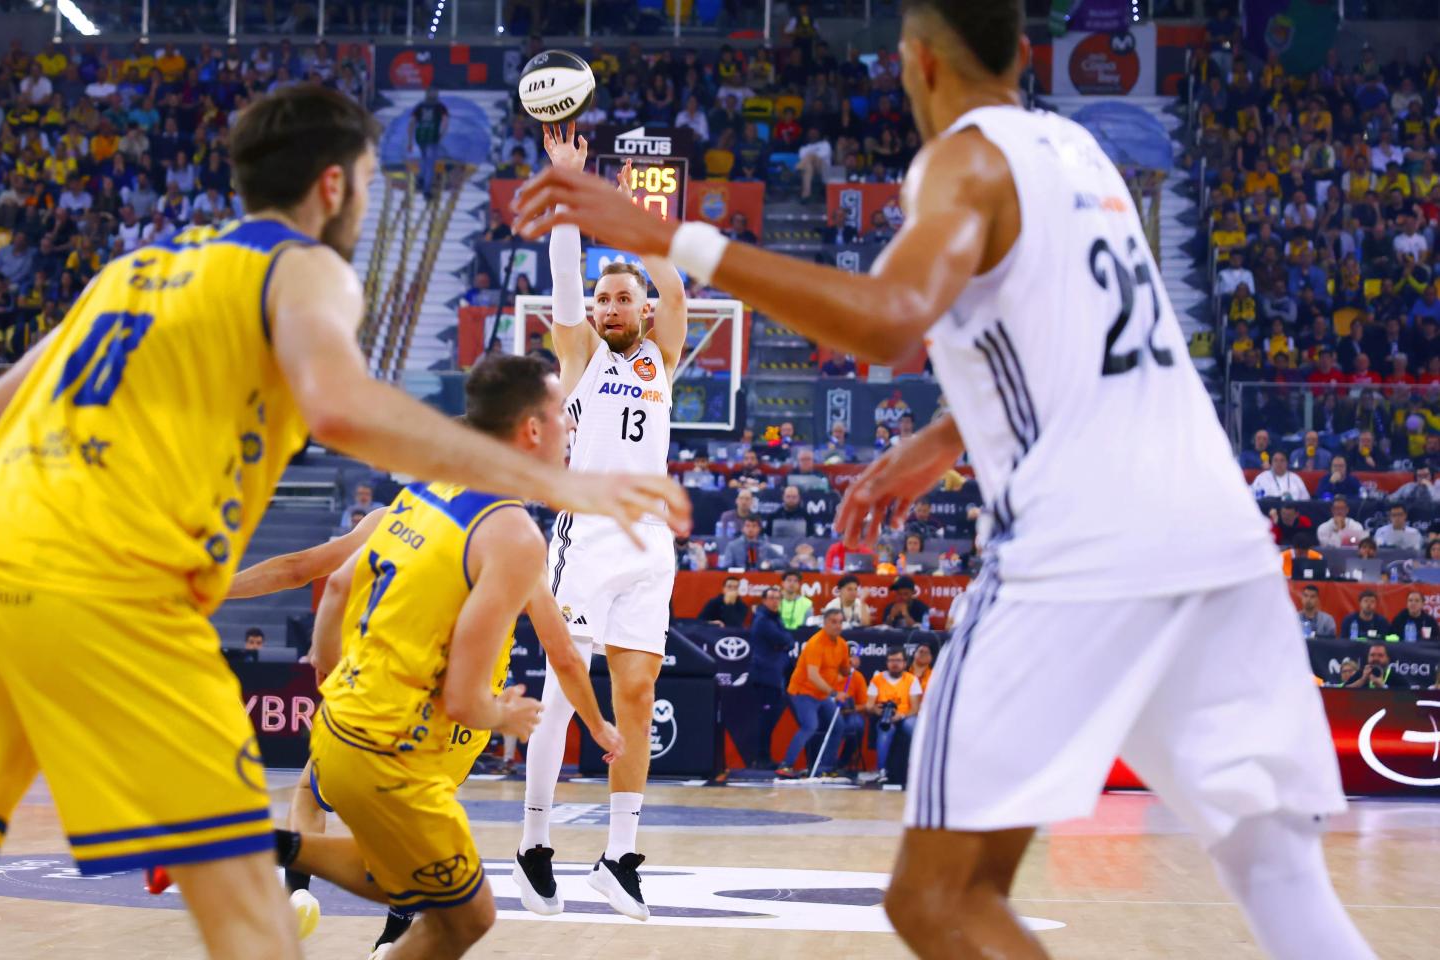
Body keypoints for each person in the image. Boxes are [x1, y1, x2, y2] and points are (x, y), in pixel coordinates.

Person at [505, 4, 1370, 957]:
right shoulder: (1084, 157)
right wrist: (950, 434)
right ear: (1027, 54)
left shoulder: (962, 159)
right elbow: (1093, 348)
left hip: (1083, 545)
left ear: (918, 63)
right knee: (1281, 878)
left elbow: (888, 317)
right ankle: (544, 838)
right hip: (1220, 531)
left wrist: (677, 241)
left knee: (935, 899)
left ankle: (603, 849)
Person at [0, 85, 686, 960]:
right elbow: (341, 411)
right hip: (112, 602)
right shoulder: (302, 267)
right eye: (372, 178)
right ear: (335, 186)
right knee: (255, 931)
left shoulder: (129, 271)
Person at [308, 355, 627, 959]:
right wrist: (503, 717)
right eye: (564, 414)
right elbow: (463, 701)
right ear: (532, 430)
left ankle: (264, 845)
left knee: (414, 884)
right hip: (392, 751)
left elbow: (337, 589)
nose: (571, 428)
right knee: (466, 914)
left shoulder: (424, 489)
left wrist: (328, 676)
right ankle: (245, 845)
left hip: (337, 730)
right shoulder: (511, 535)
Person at [518, 127, 693, 923]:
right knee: (564, 693)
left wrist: (638, 226)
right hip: (585, 536)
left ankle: (618, 858)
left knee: (638, 691)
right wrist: (569, 187)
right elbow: (562, 278)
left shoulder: (662, 355)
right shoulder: (580, 354)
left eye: (625, 296)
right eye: (603, 298)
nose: (612, 305)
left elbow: (678, 291)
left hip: (650, 544)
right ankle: (533, 845)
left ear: (644, 308)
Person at [776, 608, 853, 778]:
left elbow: (845, 670)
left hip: (821, 695)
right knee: (810, 726)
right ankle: (786, 765)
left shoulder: (841, 644)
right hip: (803, 691)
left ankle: (826, 767)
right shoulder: (816, 643)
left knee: (838, 726)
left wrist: (850, 665)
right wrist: (834, 693)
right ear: (825, 623)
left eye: (840, 622)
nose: (837, 626)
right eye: (833, 622)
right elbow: (813, 676)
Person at [748, 587, 794, 769]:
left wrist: (784, 642)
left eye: (778, 598)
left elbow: (788, 640)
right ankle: (761, 759)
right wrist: (784, 643)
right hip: (765, 676)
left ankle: (763, 757)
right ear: (764, 600)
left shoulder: (775, 618)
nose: (775, 601)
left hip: (773, 675)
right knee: (766, 720)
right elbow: (784, 640)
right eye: (772, 598)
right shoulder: (763, 620)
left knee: (769, 720)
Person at [869, 648, 923, 785]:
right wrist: (877, 710)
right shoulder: (877, 679)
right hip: (884, 716)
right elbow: (869, 705)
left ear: (905, 663)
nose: (894, 664)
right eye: (891, 660)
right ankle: (882, 771)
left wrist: (901, 715)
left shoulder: (912, 679)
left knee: (913, 727)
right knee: (886, 729)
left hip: (906, 716)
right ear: (887, 663)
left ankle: (918, 768)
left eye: (898, 660)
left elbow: (915, 708)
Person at [409, 87, 449, 198]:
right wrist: (442, 134)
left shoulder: (420, 106)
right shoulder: (440, 107)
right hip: (432, 137)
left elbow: (412, 122)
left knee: (423, 158)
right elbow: (445, 121)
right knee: (430, 164)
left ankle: (421, 178)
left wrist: (410, 140)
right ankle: (426, 190)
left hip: (421, 136)